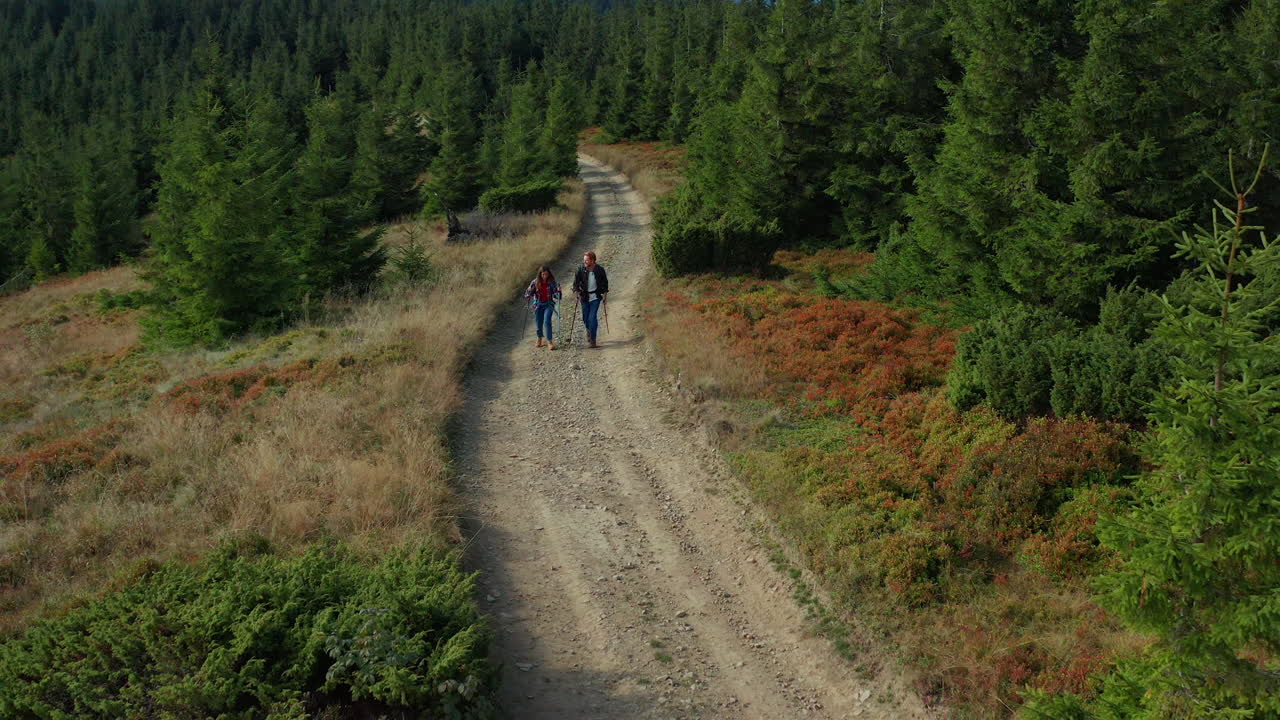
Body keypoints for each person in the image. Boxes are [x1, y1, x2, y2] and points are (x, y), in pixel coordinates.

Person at [572, 251, 608, 348]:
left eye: (587, 260)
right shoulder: (580, 269)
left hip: (595, 297)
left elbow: (605, 284)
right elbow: (575, 284)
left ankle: (593, 339)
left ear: (592, 260)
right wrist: (576, 293)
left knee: (592, 318)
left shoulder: (600, 270)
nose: (585, 262)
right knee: (585, 319)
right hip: (584, 297)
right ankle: (589, 330)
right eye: (584, 260)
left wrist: (605, 296)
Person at [524, 265, 562, 350]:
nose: (545, 276)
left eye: (546, 274)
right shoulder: (535, 282)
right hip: (538, 305)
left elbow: (556, 295)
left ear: (549, 274)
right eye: (543, 274)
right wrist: (529, 294)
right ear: (540, 274)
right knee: (538, 322)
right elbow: (528, 292)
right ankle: (539, 338)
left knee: (547, 321)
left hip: (548, 304)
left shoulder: (551, 282)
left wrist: (558, 292)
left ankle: (549, 341)